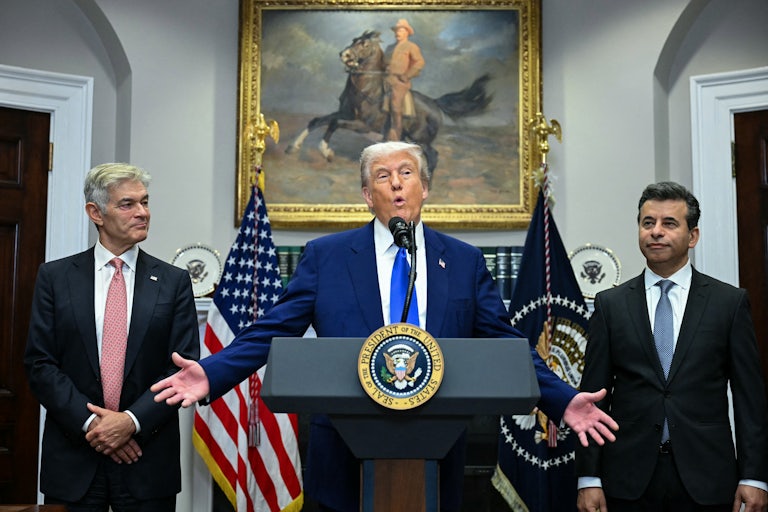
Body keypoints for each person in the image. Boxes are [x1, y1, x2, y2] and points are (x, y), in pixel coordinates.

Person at [152, 141, 618, 512]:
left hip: (437, 445)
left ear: (425, 188)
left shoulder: (463, 261)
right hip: (346, 449)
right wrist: (212, 372)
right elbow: (272, 331)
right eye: (382, 176)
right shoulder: (326, 257)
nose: (396, 185)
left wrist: (562, 399)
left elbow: (509, 344)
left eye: (407, 174)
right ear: (366, 194)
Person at [576, 181, 768, 512]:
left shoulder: (728, 303)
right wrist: (589, 479)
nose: (656, 232)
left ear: (692, 236)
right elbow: (593, 399)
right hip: (626, 479)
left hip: (707, 478)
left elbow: (749, 398)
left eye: (669, 224)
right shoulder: (611, 305)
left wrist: (754, 477)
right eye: (647, 223)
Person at [24, 163, 200, 511]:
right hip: (74, 460)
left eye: (145, 202)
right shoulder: (55, 278)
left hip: (147, 461)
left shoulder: (174, 282)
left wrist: (131, 423)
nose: (143, 213)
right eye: (128, 204)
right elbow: (40, 364)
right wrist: (96, 426)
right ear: (96, 213)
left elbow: (181, 369)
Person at [384, 18, 425, 141]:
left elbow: (419, 62)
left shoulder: (411, 46)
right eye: (396, 31)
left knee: (395, 106)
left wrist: (406, 75)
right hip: (386, 80)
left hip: (400, 82)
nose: (397, 33)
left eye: (401, 30)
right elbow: (383, 63)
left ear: (407, 32)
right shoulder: (389, 48)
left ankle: (396, 135)